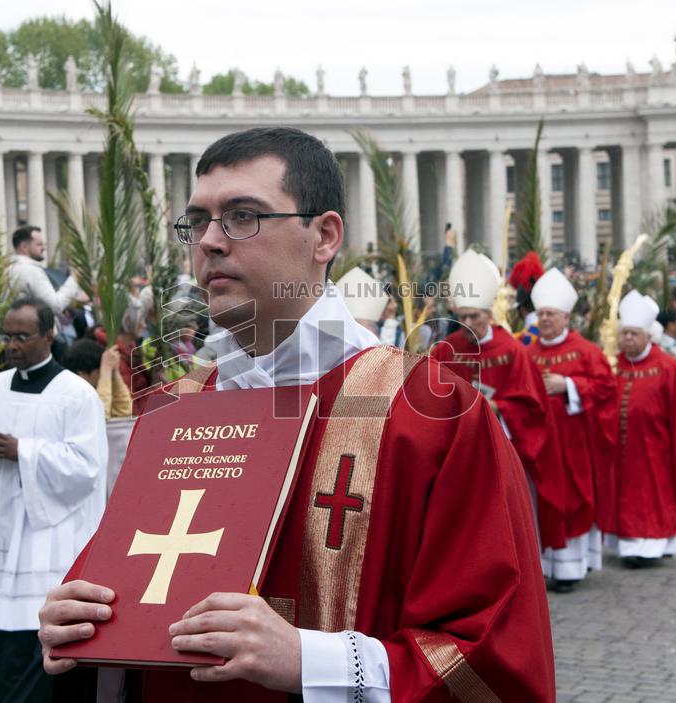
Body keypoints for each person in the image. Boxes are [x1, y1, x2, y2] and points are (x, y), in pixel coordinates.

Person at [39, 127, 555, 702]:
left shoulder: (433, 415)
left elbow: (493, 657)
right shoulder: (173, 413)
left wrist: (311, 661)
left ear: (324, 236)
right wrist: (82, 625)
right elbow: (130, 594)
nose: (209, 241)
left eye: (242, 216)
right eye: (198, 221)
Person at [0, 298, 108, 703]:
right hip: (10, 535)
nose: (11, 345)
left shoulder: (76, 394)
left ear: (48, 334)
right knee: (12, 642)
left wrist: (22, 451)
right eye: (6, 337)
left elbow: (87, 467)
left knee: (44, 643)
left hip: (54, 540)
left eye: (21, 336)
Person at [431, 250, 568, 563]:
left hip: (506, 444)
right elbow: (429, 400)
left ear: (489, 314)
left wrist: (498, 407)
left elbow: (533, 406)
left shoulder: (513, 351)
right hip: (460, 449)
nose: (467, 324)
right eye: (461, 317)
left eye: (474, 317)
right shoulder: (444, 351)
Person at [528, 268, 617, 593]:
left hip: (576, 442)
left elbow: (607, 389)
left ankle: (570, 568)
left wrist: (568, 385)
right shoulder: (529, 353)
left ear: (566, 316)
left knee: (574, 500)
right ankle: (543, 566)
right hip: (540, 446)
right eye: (541, 314)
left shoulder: (587, 351)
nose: (545, 319)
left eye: (551, 313)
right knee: (544, 503)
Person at [609, 291, 676, 566]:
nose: (628, 338)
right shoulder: (613, 365)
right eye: (625, 333)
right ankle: (631, 546)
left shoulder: (667, 367)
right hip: (622, 450)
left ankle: (654, 544)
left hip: (658, 449)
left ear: (647, 336)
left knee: (656, 495)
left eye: (634, 334)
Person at [8, 225, 80, 315]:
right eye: (39, 244)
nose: (44, 248)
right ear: (24, 247)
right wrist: (74, 279)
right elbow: (55, 306)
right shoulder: (31, 271)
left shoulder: (9, 269)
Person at [60, 338, 133, 418]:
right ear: (82, 375)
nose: (105, 376)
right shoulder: (71, 400)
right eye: (100, 371)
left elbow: (124, 412)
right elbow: (99, 416)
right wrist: (106, 369)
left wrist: (115, 372)